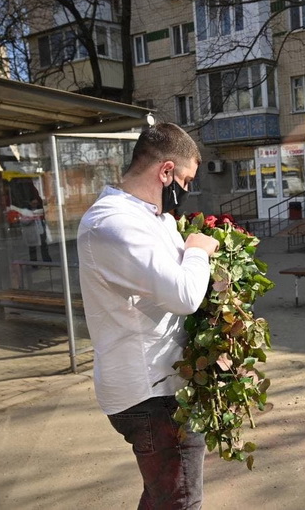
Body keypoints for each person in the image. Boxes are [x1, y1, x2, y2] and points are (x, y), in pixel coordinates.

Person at [77, 123, 219, 509]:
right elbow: (184, 294)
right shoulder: (113, 223)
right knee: (180, 501)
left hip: (163, 385)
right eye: (186, 180)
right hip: (150, 395)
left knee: (163, 497)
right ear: (166, 171)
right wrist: (198, 251)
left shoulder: (154, 217)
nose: (186, 191)